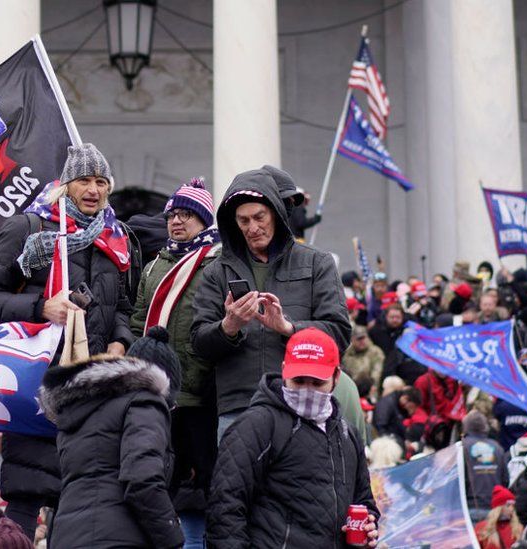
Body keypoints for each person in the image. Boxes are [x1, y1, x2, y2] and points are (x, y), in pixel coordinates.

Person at [0, 143, 134, 535]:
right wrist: (41, 307)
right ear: (66, 184)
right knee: (26, 499)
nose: (93, 189)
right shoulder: (29, 227)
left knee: (81, 505)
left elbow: (125, 305)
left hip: (93, 389)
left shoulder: (118, 237)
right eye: (83, 180)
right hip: (35, 386)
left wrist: (120, 341)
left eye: (100, 181)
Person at [190, 167, 351, 438]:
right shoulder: (216, 271)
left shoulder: (316, 262)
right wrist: (228, 327)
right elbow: (198, 343)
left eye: (259, 217)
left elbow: (339, 333)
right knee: (236, 481)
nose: (253, 228)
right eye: (243, 221)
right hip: (238, 407)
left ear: (275, 213)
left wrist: (289, 328)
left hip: (303, 403)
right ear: (233, 224)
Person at [207, 328, 378, 548]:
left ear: (336, 377)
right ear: (284, 371)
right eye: (298, 381)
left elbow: (364, 502)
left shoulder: (347, 434)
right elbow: (225, 506)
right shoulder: (258, 424)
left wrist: (369, 528)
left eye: (317, 383)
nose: (307, 390)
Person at [129, 178, 218, 549]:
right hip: (158, 394)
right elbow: (137, 319)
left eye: (187, 215)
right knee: (162, 480)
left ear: (204, 221)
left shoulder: (216, 263)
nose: (177, 222)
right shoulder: (154, 266)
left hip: (199, 397)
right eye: (173, 215)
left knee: (206, 484)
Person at [37, 328, 185, 549]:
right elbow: (142, 480)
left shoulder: (79, 410)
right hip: (119, 538)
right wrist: (173, 537)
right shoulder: (146, 401)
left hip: (66, 538)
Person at [461, 411, 509, 522]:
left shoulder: (461, 447)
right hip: (495, 510)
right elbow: (505, 480)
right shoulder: (498, 448)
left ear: (466, 427)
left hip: (470, 508)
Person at [342, 325, 384, 395]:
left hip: (369, 389)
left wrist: (372, 386)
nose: (362, 341)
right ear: (352, 340)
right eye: (358, 339)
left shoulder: (375, 352)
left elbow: (376, 374)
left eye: (363, 338)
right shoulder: (347, 353)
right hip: (349, 387)